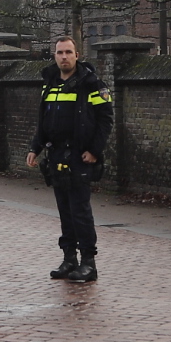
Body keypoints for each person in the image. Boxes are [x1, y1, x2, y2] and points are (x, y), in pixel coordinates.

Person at [24, 35, 112, 282]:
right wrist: (35, 147)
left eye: (68, 53)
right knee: (64, 210)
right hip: (56, 155)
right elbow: (44, 120)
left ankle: (88, 263)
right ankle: (69, 259)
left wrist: (94, 150)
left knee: (80, 211)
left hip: (79, 157)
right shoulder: (49, 83)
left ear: (77, 55)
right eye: (60, 52)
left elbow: (106, 120)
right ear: (55, 55)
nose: (64, 57)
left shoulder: (92, 84)